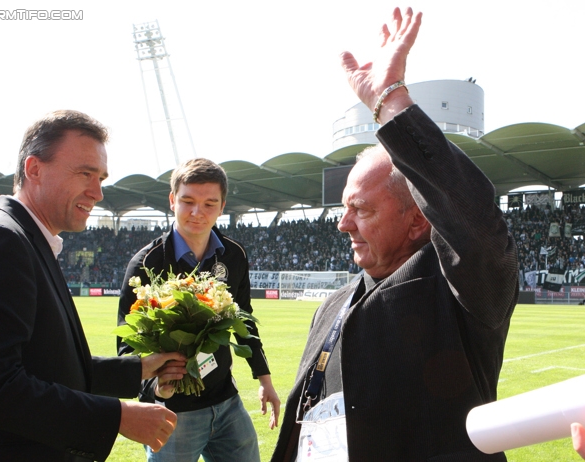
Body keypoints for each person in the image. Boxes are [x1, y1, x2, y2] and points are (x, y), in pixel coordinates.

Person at [271, 7, 519, 461]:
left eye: (361, 210)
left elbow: (476, 228)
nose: (344, 224)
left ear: (417, 220)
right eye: (344, 209)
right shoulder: (332, 304)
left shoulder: (461, 293)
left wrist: (391, 103)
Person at [0, 110, 184, 461]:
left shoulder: (27, 240)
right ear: (34, 169)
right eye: (85, 173)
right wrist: (116, 416)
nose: (98, 192)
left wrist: (140, 367)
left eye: (101, 177)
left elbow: (50, 367)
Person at [118, 158, 280, 462]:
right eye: (188, 201)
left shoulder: (233, 255)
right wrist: (158, 387)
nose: (197, 212)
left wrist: (265, 380)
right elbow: (126, 345)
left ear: (222, 206)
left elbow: (244, 320)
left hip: (226, 402)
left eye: (209, 203)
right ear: (172, 201)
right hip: (174, 413)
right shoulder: (147, 263)